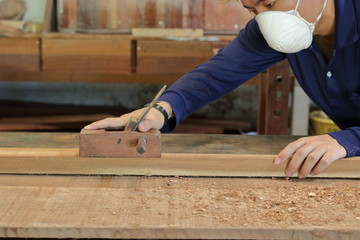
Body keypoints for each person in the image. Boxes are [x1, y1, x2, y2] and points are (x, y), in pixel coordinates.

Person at [85, 0, 360, 178]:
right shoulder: (276, 28)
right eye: (253, 10)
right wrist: (160, 110)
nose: (265, 19)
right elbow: (218, 73)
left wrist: (347, 140)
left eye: (269, 2)